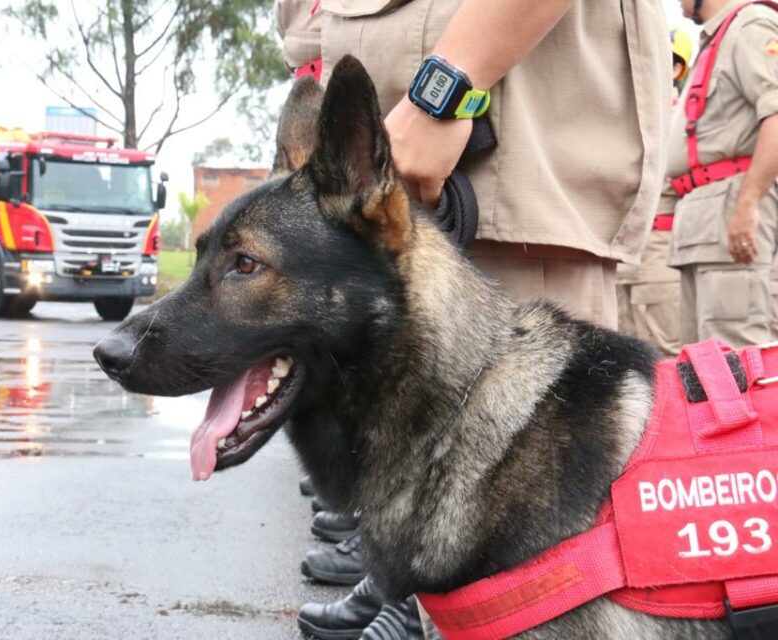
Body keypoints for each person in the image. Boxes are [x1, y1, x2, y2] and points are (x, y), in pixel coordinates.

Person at [277, 1, 671, 638]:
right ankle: (407, 592)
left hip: (501, 124)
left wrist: (443, 92)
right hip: (417, 119)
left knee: (534, 566)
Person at [666, 0, 778, 348]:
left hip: (730, 209)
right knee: (703, 364)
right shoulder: (719, 38)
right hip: (703, 217)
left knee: (740, 358)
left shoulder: (750, 25)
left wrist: (747, 204)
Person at [616, 29, 694, 357]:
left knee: (666, 354)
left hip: (660, 252)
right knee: (625, 352)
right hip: (624, 256)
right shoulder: (627, 114)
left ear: (676, 69)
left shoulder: (683, 117)